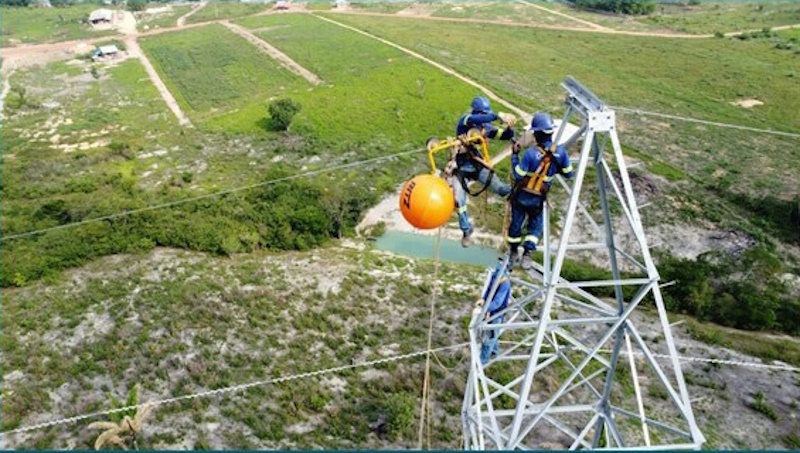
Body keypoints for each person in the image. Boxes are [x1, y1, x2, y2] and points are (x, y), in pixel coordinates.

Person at [508, 112, 575, 270]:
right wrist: (553, 168)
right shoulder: (560, 153)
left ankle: (513, 252)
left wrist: (515, 156)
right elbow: (569, 173)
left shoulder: (530, 154)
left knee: (516, 225)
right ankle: (527, 254)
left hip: (521, 197)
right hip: (538, 200)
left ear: (536, 134)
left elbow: (518, 174)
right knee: (535, 227)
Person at [449, 97, 516, 247]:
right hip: (462, 168)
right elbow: (477, 118)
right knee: (459, 199)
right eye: (483, 114)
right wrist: (498, 116)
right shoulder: (466, 121)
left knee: (500, 188)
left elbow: (505, 136)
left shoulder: (486, 128)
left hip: (478, 166)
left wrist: (510, 127)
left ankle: (520, 194)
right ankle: (466, 230)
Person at [475, 260, 511, 365]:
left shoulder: (504, 283)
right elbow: (489, 289)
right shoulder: (495, 277)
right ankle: (494, 352)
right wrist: (483, 299)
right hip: (491, 310)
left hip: (497, 313)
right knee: (493, 334)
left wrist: (484, 309)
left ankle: (482, 363)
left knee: (489, 338)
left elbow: (497, 302)